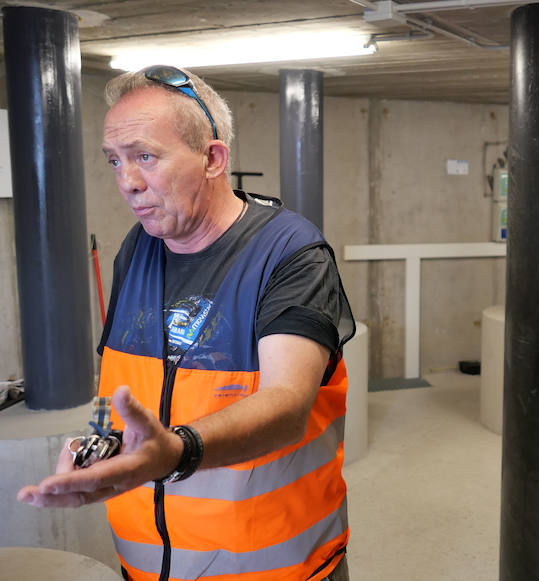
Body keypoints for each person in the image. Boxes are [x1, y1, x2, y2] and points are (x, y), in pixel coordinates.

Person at [17, 65, 355, 581]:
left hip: (271, 568)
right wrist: (101, 440)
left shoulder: (290, 252)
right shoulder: (138, 248)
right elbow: (117, 378)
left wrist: (175, 451)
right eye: (115, 161)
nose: (127, 183)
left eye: (145, 157)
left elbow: (287, 405)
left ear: (213, 158)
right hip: (147, 565)